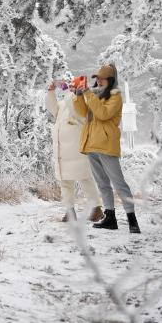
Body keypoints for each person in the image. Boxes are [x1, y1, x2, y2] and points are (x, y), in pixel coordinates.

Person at [72, 64, 141, 233]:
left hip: (106, 145)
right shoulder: (95, 95)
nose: (99, 81)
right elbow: (82, 113)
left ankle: (132, 220)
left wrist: (88, 93)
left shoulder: (115, 97)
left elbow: (103, 114)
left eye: (102, 79)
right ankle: (110, 218)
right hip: (91, 144)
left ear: (110, 80)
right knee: (102, 184)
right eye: (97, 78)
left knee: (119, 183)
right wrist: (78, 96)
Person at [46, 77, 104, 223]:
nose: (70, 88)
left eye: (73, 86)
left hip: (77, 151)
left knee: (85, 179)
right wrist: (51, 92)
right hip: (62, 152)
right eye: (70, 86)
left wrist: (65, 89)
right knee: (65, 182)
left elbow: (75, 110)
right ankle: (70, 211)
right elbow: (53, 108)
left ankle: (96, 209)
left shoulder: (82, 103)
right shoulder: (64, 104)